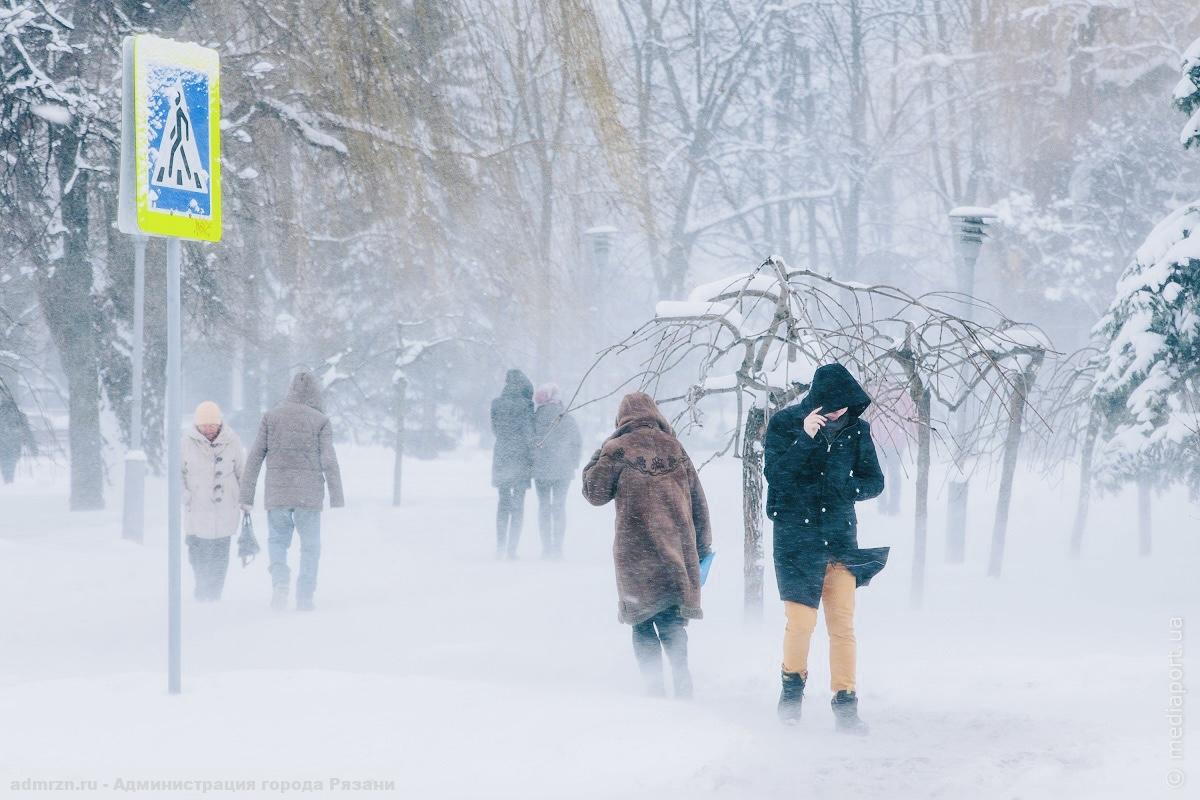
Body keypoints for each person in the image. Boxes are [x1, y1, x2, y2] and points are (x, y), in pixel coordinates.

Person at [764, 363, 888, 732]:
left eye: (843, 407)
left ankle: (846, 704)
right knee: (801, 623)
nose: (837, 414)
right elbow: (777, 477)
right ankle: (790, 692)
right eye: (830, 408)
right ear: (815, 403)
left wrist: (846, 490)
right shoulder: (785, 424)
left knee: (842, 626)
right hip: (795, 541)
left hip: (839, 540)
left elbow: (875, 482)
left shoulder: (857, 431)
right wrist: (805, 438)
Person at [582, 392, 711, 699]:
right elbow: (699, 504)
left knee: (642, 624)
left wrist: (601, 450)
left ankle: (654, 690)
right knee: (671, 622)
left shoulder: (616, 450)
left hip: (635, 556)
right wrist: (703, 549)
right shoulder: (676, 448)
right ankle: (682, 683)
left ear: (621, 419)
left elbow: (594, 492)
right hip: (676, 552)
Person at [240, 371, 344, 612]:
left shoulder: (271, 417)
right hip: (308, 497)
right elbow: (329, 460)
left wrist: (246, 495)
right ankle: (305, 595)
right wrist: (336, 496)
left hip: (278, 495)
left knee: (277, 541)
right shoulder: (320, 421)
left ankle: (280, 581)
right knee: (310, 546)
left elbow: (255, 457)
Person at [182, 401, 245, 602]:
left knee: (220, 556)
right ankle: (202, 590)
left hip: (225, 508)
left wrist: (245, 499)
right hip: (197, 509)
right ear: (197, 425)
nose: (208, 429)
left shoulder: (232, 441)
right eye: (204, 425)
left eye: (212, 425)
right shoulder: (186, 442)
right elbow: (177, 474)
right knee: (198, 554)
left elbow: (242, 473)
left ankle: (215, 593)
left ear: (219, 423)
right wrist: (186, 495)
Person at [532, 383, 582, 559]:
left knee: (544, 507)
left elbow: (530, 440)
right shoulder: (565, 416)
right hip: (563, 469)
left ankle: (546, 548)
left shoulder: (535, 417)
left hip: (541, 470)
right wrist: (574, 462)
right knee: (559, 507)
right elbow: (576, 441)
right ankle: (558, 548)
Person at [491, 369, 534, 559]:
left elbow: (495, 429)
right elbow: (528, 434)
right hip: (520, 458)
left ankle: (500, 545)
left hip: (501, 455)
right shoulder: (525, 405)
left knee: (503, 503)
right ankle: (512, 549)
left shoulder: (496, 404)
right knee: (518, 505)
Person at [0, 389, 37, 484]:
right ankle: (9, 479)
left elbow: (26, 431)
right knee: (10, 464)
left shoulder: (5, 415)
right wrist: (33, 447)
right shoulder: (19, 415)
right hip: (14, 446)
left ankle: (7, 479)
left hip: (3, 446)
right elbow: (27, 432)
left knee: (5, 464)